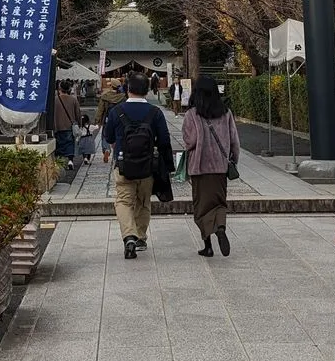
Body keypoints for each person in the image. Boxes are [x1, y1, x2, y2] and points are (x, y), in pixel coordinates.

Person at [102, 70, 173, 260]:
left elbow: (108, 136)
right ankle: (140, 237)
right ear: (147, 90)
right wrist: (168, 165)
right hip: (147, 165)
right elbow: (165, 140)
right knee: (143, 201)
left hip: (123, 165)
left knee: (124, 201)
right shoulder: (155, 112)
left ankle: (129, 236)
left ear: (128, 89)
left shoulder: (117, 111)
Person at [182, 75, 240, 257]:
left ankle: (208, 246)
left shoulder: (192, 114)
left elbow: (189, 141)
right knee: (219, 202)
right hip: (220, 168)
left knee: (201, 206)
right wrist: (233, 161)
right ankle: (220, 227)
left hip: (200, 167)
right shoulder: (226, 113)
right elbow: (234, 142)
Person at [52, 80, 80, 162]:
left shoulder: (55, 100)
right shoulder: (73, 100)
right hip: (69, 125)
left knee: (59, 143)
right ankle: (70, 160)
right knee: (70, 143)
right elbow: (78, 113)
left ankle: (60, 160)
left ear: (59, 89)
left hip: (57, 125)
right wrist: (80, 124)